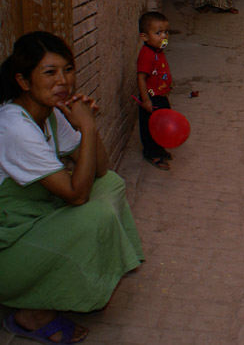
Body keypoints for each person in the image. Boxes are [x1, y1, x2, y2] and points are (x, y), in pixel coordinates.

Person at [0, 32, 144, 344]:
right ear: (23, 82)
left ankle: (92, 276)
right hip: (6, 251)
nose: (63, 81)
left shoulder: (50, 114)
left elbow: (101, 169)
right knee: (94, 215)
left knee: (111, 184)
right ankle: (30, 314)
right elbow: (77, 195)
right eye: (49, 73)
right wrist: (89, 127)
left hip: (32, 223)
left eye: (68, 70)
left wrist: (86, 125)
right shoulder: (14, 126)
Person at [137, 11, 175, 171]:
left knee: (162, 124)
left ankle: (159, 147)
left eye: (166, 32)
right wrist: (146, 100)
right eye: (158, 33)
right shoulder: (147, 54)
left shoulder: (158, 51)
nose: (163, 36)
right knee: (150, 126)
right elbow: (141, 78)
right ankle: (151, 153)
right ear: (144, 37)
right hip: (151, 99)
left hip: (161, 96)